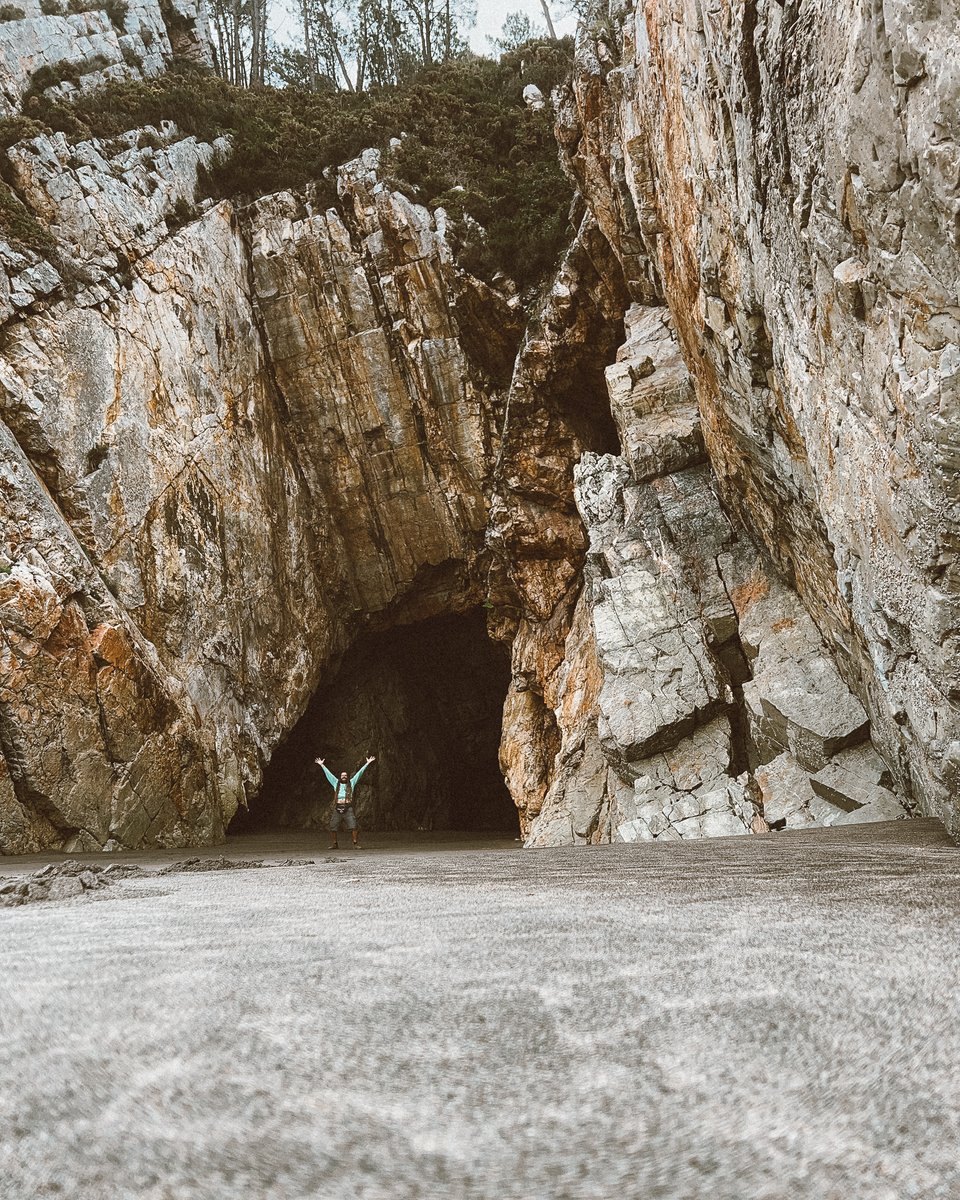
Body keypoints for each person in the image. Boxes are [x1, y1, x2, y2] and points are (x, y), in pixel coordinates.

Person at [315, 755, 375, 850]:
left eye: (345, 776)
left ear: (347, 777)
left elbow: (359, 773)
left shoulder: (351, 783)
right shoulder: (335, 783)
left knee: (354, 825)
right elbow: (328, 774)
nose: (344, 777)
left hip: (348, 807)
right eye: (342, 776)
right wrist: (322, 765)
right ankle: (335, 844)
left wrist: (367, 763)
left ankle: (355, 843)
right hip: (338, 806)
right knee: (332, 826)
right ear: (340, 777)